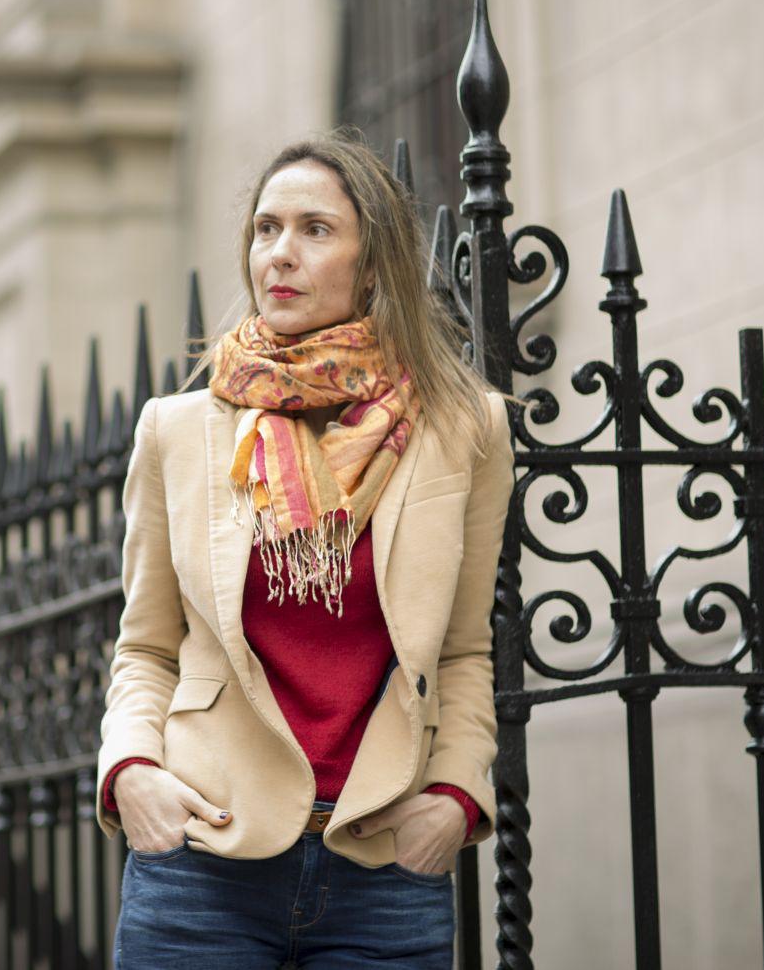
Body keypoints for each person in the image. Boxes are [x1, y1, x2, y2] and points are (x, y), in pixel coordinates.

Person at [97, 129, 516, 968]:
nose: (280, 254)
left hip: (383, 866)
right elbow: (146, 645)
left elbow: (467, 648)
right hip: (204, 864)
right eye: (266, 228)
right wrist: (133, 771)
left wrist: (455, 795)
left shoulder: (464, 428)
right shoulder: (177, 432)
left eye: (315, 230)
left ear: (373, 264)